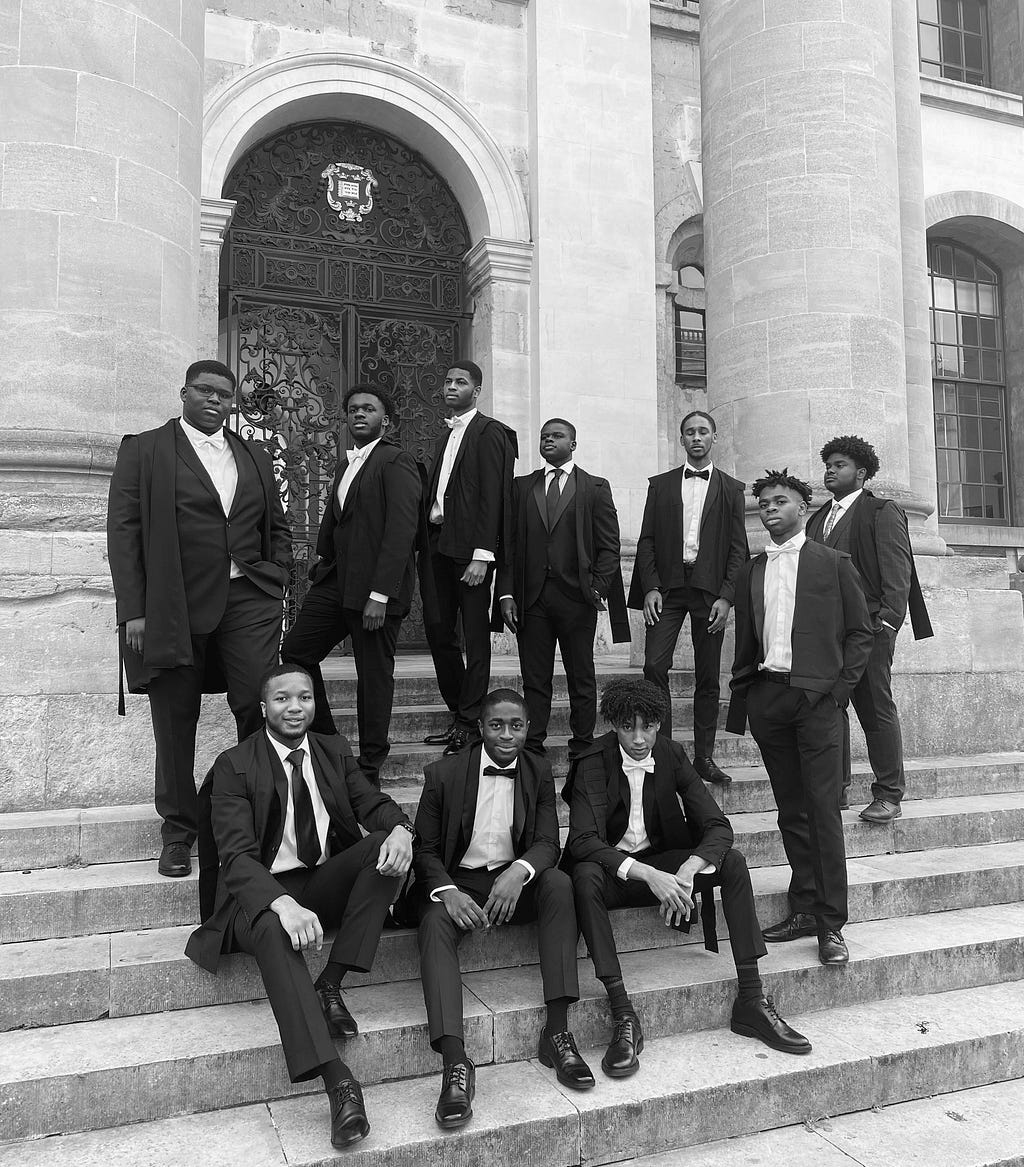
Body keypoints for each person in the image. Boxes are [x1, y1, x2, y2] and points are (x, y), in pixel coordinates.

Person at [185, 664, 415, 1150]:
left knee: (381, 849)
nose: (295, 708)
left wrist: (401, 829)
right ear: (264, 707)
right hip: (256, 895)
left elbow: (372, 805)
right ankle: (339, 1082)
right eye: (284, 699)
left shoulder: (332, 750)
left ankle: (330, 981)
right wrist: (280, 901)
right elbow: (236, 856)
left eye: (305, 698)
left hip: (319, 884)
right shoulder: (234, 764)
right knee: (271, 929)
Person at [565, 677, 810, 1076]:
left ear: (660, 723)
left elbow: (718, 825)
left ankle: (751, 997)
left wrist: (687, 868)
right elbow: (582, 841)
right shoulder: (593, 761)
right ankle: (623, 1013)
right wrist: (649, 875)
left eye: (649, 726)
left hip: (666, 867)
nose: (640, 738)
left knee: (732, 862)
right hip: (617, 873)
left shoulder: (672, 754)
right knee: (584, 874)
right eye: (629, 727)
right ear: (613, 725)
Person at [106, 359, 292, 878]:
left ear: (233, 402)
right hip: (173, 604)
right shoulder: (143, 450)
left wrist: (276, 573)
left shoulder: (253, 454)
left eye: (225, 394)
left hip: (248, 599)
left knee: (260, 704)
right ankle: (179, 830)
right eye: (205, 390)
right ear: (184, 393)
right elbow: (124, 536)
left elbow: (276, 523)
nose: (215, 400)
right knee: (174, 716)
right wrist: (134, 611)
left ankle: (255, 818)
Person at [412, 688, 593, 1129]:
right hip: (461, 879)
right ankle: (455, 1062)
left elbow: (549, 841)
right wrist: (448, 892)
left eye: (516, 725)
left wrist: (520, 871)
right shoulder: (443, 773)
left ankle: (556, 1031)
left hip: (515, 879)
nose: (507, 734)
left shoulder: (539, 770)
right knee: (434, 920)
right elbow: (426, 850)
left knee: (558, 882)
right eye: (497, 725)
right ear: (480, 727)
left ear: (528, 728)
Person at [727, 470, 874, 967]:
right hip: (769, 701)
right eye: (764, 502)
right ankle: (804, 906)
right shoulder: (752, 569)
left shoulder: (832, 563)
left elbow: (861, 632)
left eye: (780, 501)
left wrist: (838, 693)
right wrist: (745, 697)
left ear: (801, 507)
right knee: (791, 810)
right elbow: (747, 640)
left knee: (823, 812)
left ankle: (831, 924)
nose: (770, 508)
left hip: (818, 705)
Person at [281, 385, 421, 785]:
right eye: (353, 409)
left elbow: (401, 531)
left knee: (373, 675)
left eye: (369, 408)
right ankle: (327, 740)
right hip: (336, 582)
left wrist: (380, 594)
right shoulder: (346, 465)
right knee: (296, 650)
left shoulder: (397, 461)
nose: (359, 414)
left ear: (385, 420)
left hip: (376, 592)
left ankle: (371, 765)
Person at [807, 435, 933, 821]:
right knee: (830, 711)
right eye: (828, 464)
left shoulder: (881, 510)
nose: (830, 469)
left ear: (861, 473)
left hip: (871, 630)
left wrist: (888, 624)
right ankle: (837, 790)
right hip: (825, 635)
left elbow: (898, 570)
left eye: (839, 465)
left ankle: (889, 795)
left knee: (875, 708)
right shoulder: (814, 519)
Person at [628, 411, 748, 786]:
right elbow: (646, 540)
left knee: (708, 675)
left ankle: (704, 757)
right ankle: (660, 750)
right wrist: (649, 586)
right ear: (681, 440)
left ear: (714, 437)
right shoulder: (660, 485)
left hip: (710, 592)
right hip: (668, 588)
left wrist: (727, 597)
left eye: (703, 432)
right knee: (653, 666)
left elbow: (737, 549)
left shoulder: (732, 488)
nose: (696, 438)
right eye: (689, 432)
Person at [497, 418, 629, 758]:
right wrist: (507, 592)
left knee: (581, 677)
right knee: (534, 679)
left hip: (577, 599)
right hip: (532, 599)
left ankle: (583, 745)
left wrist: (598, 587)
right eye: (544, 437)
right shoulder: (521, 487)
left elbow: (608, 545)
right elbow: (509, 545)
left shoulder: (594, 487)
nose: (549, 440)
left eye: (557, 436)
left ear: (573, 443)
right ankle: (534, 744)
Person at [420, 361, 517, 755]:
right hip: (438, 545)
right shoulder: (446, 435)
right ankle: (463, 713)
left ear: (476, 391)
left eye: (461, 383)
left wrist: (483, 555)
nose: (451, 387)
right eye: (447, 381)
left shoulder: (491, 432)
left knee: (475, 640)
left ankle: (467, 721)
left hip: (472, 552)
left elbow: (493, 495)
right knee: (439, 632)